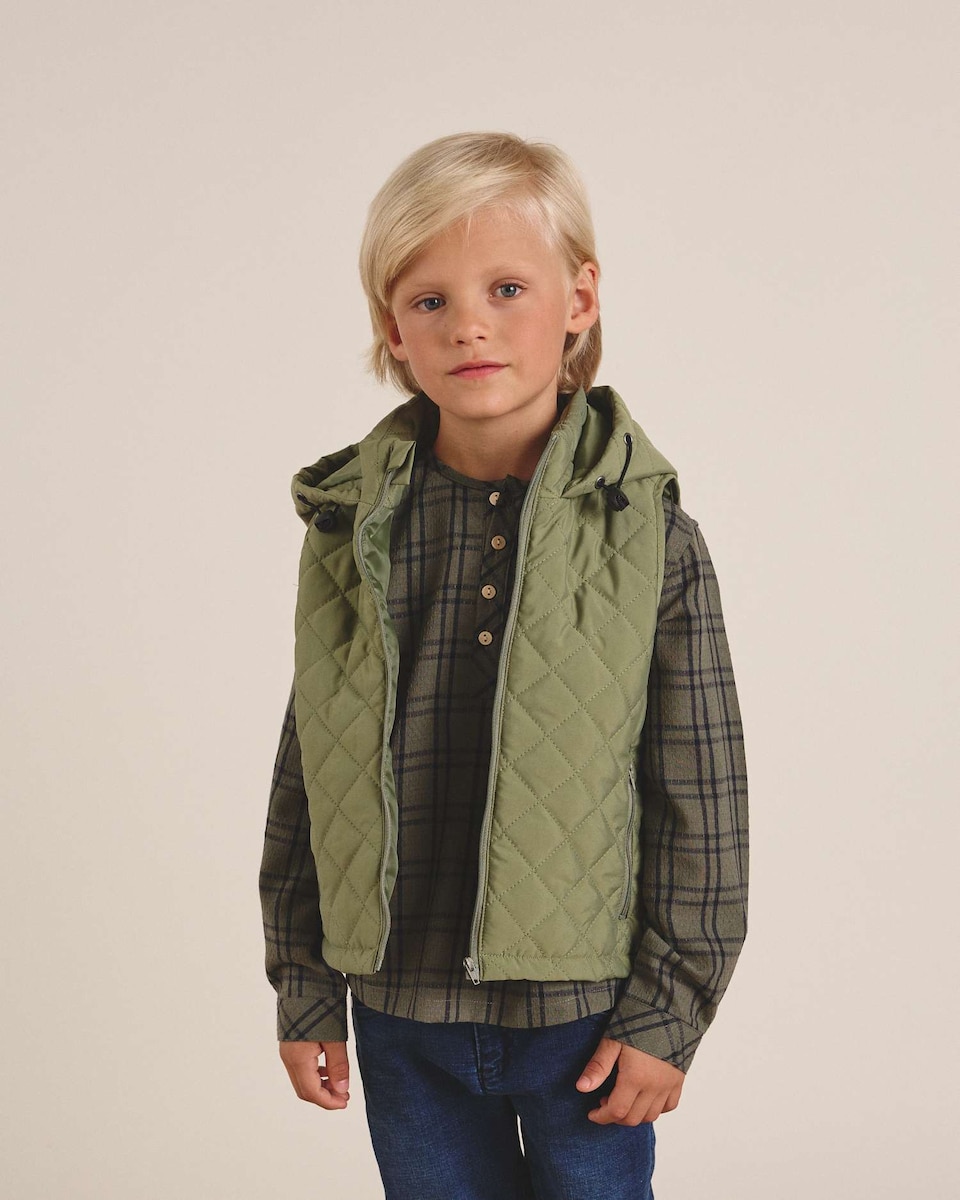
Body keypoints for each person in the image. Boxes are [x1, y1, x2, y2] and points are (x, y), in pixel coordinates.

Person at [259, 131, 748, 1200]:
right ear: (393, 329)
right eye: (429, 300)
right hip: (399, 1012)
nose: (468, 323)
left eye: (507, 288)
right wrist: (304, 986)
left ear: (580, 300)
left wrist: (669, 1013)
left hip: (584, 1017)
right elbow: (310, 770)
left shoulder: (651, 540)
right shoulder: (352, 532)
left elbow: (701, 796)